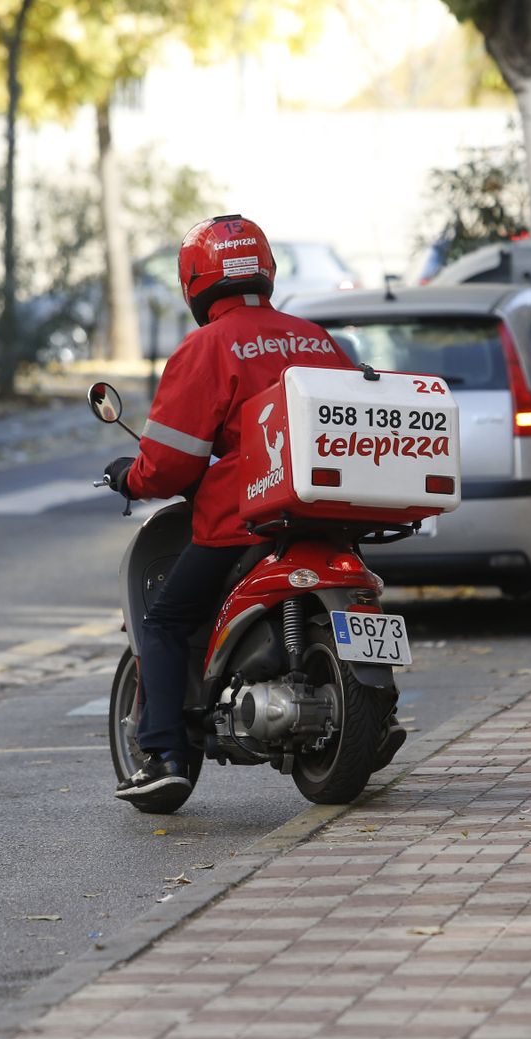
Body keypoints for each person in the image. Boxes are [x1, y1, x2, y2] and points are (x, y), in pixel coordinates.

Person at [103, 214, 400, 807]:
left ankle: (164, 755)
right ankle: (380, 717)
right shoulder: (314, 339)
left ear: (194, 281)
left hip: (242, 522)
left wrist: (130, 477)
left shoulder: (206, 347)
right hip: (328, 518)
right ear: (264, 269)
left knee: (164, 622)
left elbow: (170, 464)